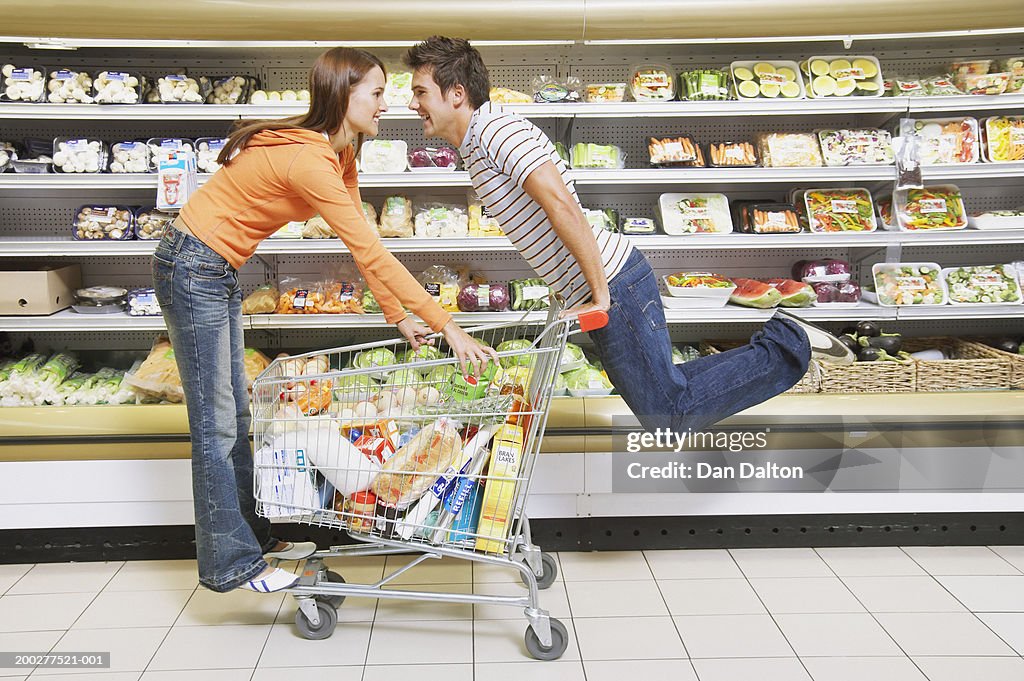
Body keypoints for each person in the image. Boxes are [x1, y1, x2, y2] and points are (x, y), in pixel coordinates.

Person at [152, 47, 496, 594]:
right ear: (345, 95)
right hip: (191, 266)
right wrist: (446, 325)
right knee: (217, 425)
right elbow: (374, 255)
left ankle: (253, 540)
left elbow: (366, 243)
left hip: (213, 270)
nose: (391, 105)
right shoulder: (311, 159)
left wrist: (395, 315)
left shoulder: (342, 152)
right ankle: (230, 563)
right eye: (378, 94)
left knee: (235, 417)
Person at [403, 36, 854, 434]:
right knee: (667, 399)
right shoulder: (475, 146)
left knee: (667, 413)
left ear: (456, 93)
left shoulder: (497, 130)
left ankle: (789, 342)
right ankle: (785, 340)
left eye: (420, 92)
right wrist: (564, 292)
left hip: (615, 283)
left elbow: (563, 208)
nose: (412, 104)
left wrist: (599, 296)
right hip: (603, 284)